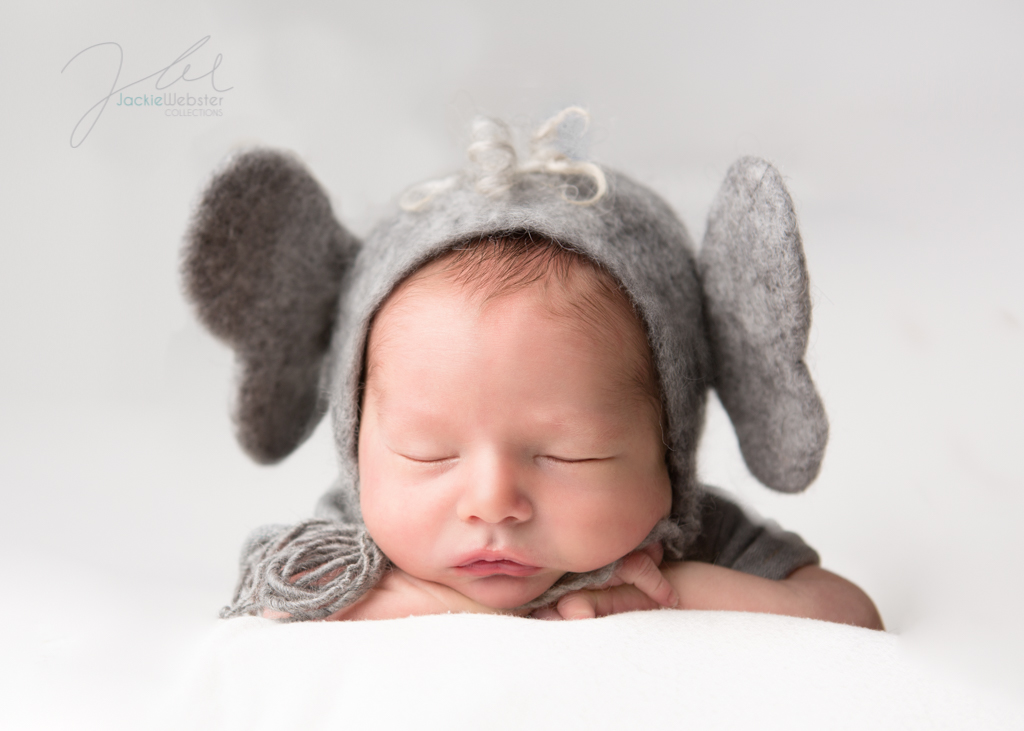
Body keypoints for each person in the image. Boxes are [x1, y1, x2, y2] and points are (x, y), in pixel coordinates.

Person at [185, 109, 883, 629]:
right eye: (427, 453)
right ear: (358, 441)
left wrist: (684, 591)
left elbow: (851, 615)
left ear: (666, 447)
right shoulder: (362, 545)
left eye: (567, 454)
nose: (492, 501)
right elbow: (267, 609)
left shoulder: (676, 540)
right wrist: (431, 600)